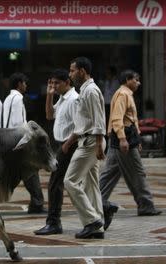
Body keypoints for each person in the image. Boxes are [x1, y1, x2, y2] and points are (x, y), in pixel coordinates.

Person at [100, 69, 162, 231]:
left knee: (110, 174)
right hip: (124, 139)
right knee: (138, 172)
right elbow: (117, 119)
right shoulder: (123, 95)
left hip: (123, 139)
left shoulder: (124, 94)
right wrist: (122, 139)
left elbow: (129, 120)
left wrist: (136, 138)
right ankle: (146, 205)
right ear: (128, 79)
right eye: (136, 80)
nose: (138, 83)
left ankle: (95, 202)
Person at [62, 57, 106, 239]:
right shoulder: (85, 90)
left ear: (82, 71)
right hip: (87, 141)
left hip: (90, 143)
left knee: (69, 181)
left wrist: (98, 145)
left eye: (72, 71)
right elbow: (85, 121)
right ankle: (98, 226)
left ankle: (92, 220)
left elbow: (98, 120)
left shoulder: (91, 91)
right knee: (91, 184)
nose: (70, 74)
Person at [34, 68, 79, 235]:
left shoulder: (74, 99)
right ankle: (103, 208)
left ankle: (53, 222)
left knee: (55, 184)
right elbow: (48, 115)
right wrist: (49, 95)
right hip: (60, 145)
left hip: (69, 145)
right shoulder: (62, 98)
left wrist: (67, 145)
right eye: (51, 83)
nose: (53, 86)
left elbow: (79, 125)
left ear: (67, 82)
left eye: (56, 83)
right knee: (75, 184)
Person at [3, 72, 46, 214]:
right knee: (30, 169)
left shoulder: (8, 98)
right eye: (24, 83)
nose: (26, 85)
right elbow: (20, 123)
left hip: (7, 139)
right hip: (17, 141)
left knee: (15, 173)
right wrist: (26, 142)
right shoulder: (18, 98)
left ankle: (37, 203)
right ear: (19, 83)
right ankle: (37, 203)